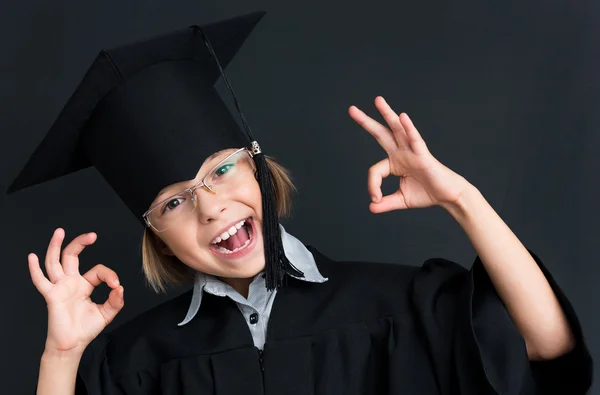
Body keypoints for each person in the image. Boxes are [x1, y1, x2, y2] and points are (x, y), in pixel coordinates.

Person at [7, 10, 593, 395]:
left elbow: (549, 352)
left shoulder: (402, 306)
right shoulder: (137, 363)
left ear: (261, 166)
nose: (209, 207)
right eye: (173, 203)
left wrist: (462, 199)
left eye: (222, 169)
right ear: (156, 233)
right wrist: (61, 356)